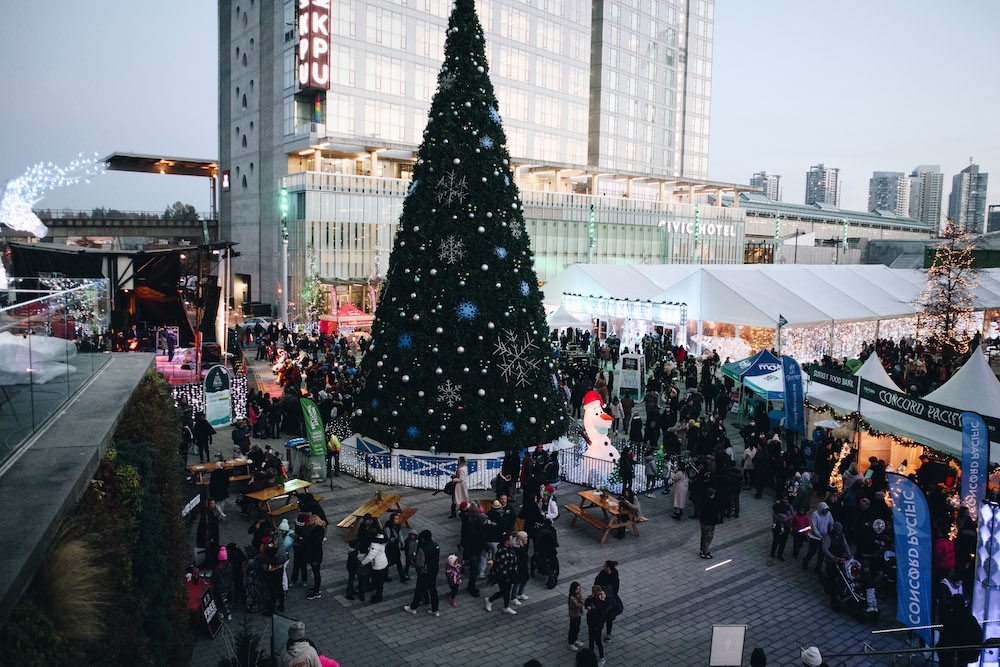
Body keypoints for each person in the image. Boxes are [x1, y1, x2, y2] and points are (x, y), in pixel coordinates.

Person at [403, 529, 441, 616]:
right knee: (433, 589)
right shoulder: (435, 545)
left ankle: (413, 608)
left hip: (424, 572)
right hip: (434, 570)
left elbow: (420, 563)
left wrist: (414, 563)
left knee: (419, 589)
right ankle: (435, 609)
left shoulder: (422, 548)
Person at [485, 532, 519, 615]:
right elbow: (502, 566)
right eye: (511, 540)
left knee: (506, 591)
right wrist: (506, 576)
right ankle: (490, 600)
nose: (512, 541)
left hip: (510, 574)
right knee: (504, 591)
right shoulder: (502, 551)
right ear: (506, 541)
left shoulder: (509, 548)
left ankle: (506, 607)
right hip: (503, 576)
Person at [802, 502, 833, 575]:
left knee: (821, 554)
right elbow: (814, 527)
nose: (825, 511)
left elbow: (831, 522)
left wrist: (831, 532)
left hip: (823, 537)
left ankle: (818, 568)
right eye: (824, 510)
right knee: (812, 551)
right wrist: (819, 536)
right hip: (814, 537)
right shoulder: (815, 515)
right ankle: (805, 561)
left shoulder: (828, 514)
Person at [593, 560, 620, 642]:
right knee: (600, 616)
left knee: (609, 617)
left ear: (608, 568)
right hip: (601, 599)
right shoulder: (602, 574)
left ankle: (608, 633)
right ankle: (598, 631)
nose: (603, 567)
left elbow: (616, 589)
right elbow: (596, 584)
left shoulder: (614, 576)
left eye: (604, 566)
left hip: (609, 600)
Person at [359, 532, 389, 603]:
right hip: (383, 563)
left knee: (378, 582)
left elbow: (370, 557)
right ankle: (378, 595)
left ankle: (378, 597)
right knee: (380, 582)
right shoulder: (383, 542)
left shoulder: (375, 544)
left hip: (378, 565)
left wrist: (362, 563)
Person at [584, 585, 609, 666]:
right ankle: (592, 656)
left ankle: (601, 658)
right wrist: (587, 606)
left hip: (597, 624)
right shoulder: (591, 599)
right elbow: (586, 603)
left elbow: (602, 613)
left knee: (597, 641)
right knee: (592, 640)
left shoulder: (602, 602)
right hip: (592, 623)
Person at [304, 514, 326, 600]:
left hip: (315, 556)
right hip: (314, 555)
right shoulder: (317, 530)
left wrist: (315, 559)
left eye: (310, 521)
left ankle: (317, 591)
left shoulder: (317, 532)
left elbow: (317, 547)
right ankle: (316, 588)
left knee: (316, 573)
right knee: (316, 572)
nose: (308, 522)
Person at [699, 487, 723, 559]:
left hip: (703, 521)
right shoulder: (712, 503)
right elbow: (714, 513)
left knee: (703, 536)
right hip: (709, 523)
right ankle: (705, 552)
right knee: (708, 537)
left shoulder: (703, 501)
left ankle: (702, 549)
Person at [771, 493, 794, 560]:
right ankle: (773, 552)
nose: (785, 500)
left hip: (787, 527)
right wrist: (781, 519)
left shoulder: (790, 507)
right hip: (778, 526)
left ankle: (780, 554)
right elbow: (774, 515)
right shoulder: (778, 505)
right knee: (776, 540)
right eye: (784, 499)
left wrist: (786, 519)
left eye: (786, 499)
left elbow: (792, 515)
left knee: (783, 541)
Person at [511, 531, 531, 604]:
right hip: (518, 567)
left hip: (524, 566)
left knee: (525, 579)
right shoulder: (516, 548)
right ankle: (513, 597)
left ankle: (520, 593)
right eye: (526, 538)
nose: (527, 539)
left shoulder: (522, 545)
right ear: (521, 539)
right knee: (518, 581)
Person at [567, 581, 586, 652]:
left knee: (577, 627)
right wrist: (582, 601)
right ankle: (571, 642)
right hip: (574, 615)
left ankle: (575, 639)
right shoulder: (572, 598)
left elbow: (583, 599)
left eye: (579, 589)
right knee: (573, 628)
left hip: (578, 614)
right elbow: (578, 605)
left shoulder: (578, 594)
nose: (579, 591)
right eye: (577, 589)